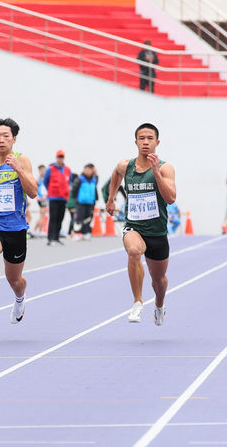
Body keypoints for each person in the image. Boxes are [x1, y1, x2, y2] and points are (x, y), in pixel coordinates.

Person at [106, 123, 177, 326]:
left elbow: (171, 198)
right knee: (134, 251)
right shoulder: (126, 166)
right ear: (136, 141)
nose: (145, 142)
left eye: (150, 138)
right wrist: (111, 198)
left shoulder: (165, 168)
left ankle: (159, 304)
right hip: (134, 226)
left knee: (159, 281)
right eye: (142, 138)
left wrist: (156, 173)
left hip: (157, 231)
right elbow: (116, 174)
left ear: (157, 142)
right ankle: (137, 301)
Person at [0, 119, 37, 324]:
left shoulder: (22, 160)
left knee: (15, 280)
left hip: (15, 227)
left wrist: (18, 170)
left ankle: (20, 299)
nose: (1, 139)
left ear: (14, 139)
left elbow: (33, 192)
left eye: (6, 136)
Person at [42, 150, 71, 245]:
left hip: (63, 197)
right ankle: (50, 238)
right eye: (59, 157)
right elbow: (45, 181)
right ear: (56, 158)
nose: (60, 159)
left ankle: (56, 237)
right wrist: (51, 190)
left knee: (60, 218)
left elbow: (69, 182)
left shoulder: (67, 169)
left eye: (62, 157)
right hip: (53, 197)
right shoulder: (50, 169)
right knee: (53, 218)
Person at [71, 163, 100, 239]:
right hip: (81, 202)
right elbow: (74, 189)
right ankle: (76, 233)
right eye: (86, 170)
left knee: (88, 219)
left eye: (90, 170)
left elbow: (97, 178)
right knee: (79, 219)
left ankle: (85, 233)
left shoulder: (94, 180)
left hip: (90, 202)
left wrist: (95, 172)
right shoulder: (80, 179)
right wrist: (76, 199)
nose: (88, 171)